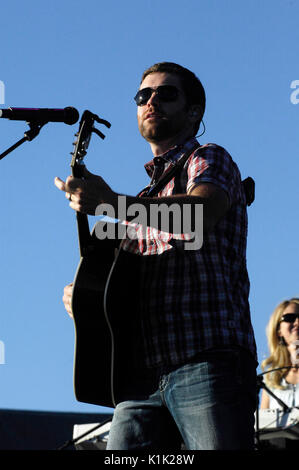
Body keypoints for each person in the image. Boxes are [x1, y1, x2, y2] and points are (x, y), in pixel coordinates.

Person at [55, 62, 257, 450]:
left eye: (166, 93)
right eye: (143, 95)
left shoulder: (210, 158)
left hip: (207, 361)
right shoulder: (141, 202)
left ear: (194, 111)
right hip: (138, 380)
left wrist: (111, 202)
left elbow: (198, 217)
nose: (152, 101)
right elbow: (111, 282)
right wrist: (81, 295)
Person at [260, 298, 299, 410]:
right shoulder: (271, 377)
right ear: (278, 330)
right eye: (289, 318)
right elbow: (264, 420)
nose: (297, 322)